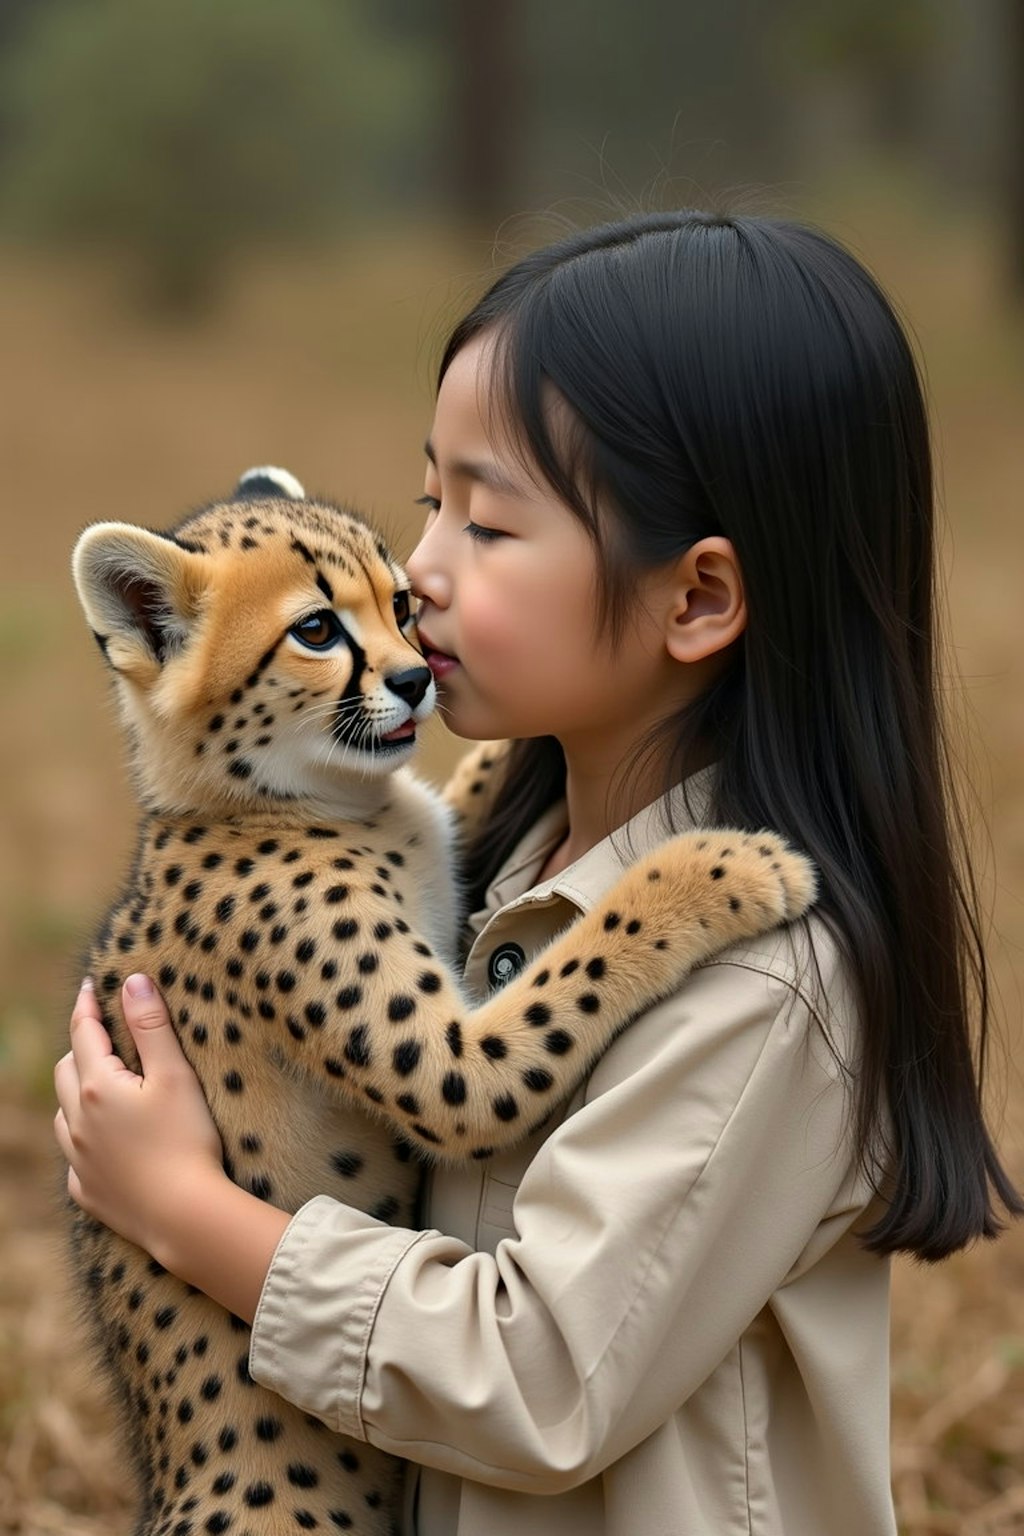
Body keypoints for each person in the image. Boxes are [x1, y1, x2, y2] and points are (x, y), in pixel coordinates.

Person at [54, 210, 1021, 1536]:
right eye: (425, 503)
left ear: (695, 601)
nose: (421, 573)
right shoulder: (508, 822)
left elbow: (537, 1377)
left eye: (490, 528)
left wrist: (180, 1209)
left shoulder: (762, 976)